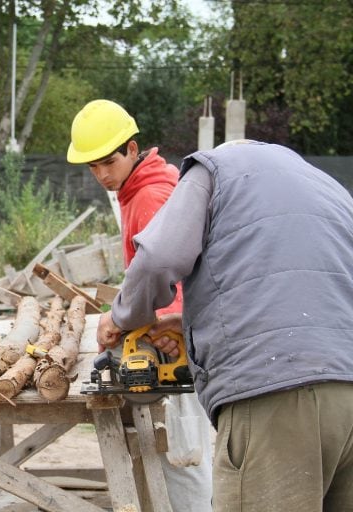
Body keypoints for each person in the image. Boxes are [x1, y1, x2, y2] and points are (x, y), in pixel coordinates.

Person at [97, 140, 353, 510]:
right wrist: (191, 322)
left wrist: (119, 317)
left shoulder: (212, 170)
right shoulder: (325, 184)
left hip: (273, 393)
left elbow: (157, 260)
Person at [68, 99, 213, 511]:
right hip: (176, 330)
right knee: (179, 458)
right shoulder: (139, 186)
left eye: (107, 162)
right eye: (92, 166)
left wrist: (167, 328)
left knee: (183, 459)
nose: (100, 174)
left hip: (180, 342)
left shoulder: (149, 195)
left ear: (132, 148)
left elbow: (172, 272)